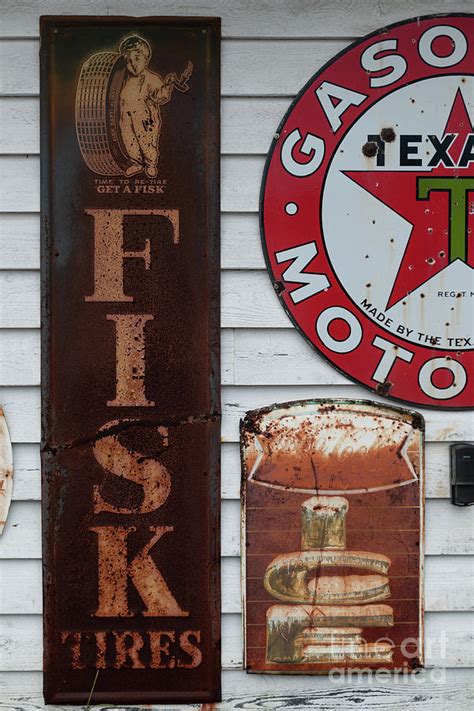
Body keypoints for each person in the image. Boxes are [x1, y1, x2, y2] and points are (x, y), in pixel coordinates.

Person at [118, 35, 190, 178]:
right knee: (128, 138)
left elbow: (161, 96)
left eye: (137, 59)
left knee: (146, 141)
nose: (133, 64)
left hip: (145, 118)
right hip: (125, 116)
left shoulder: (152, 78)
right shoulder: (122, 78)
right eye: (128, 60)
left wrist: (168, 86)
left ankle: (150, 164)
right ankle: (136, 162)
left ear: (146, 58)